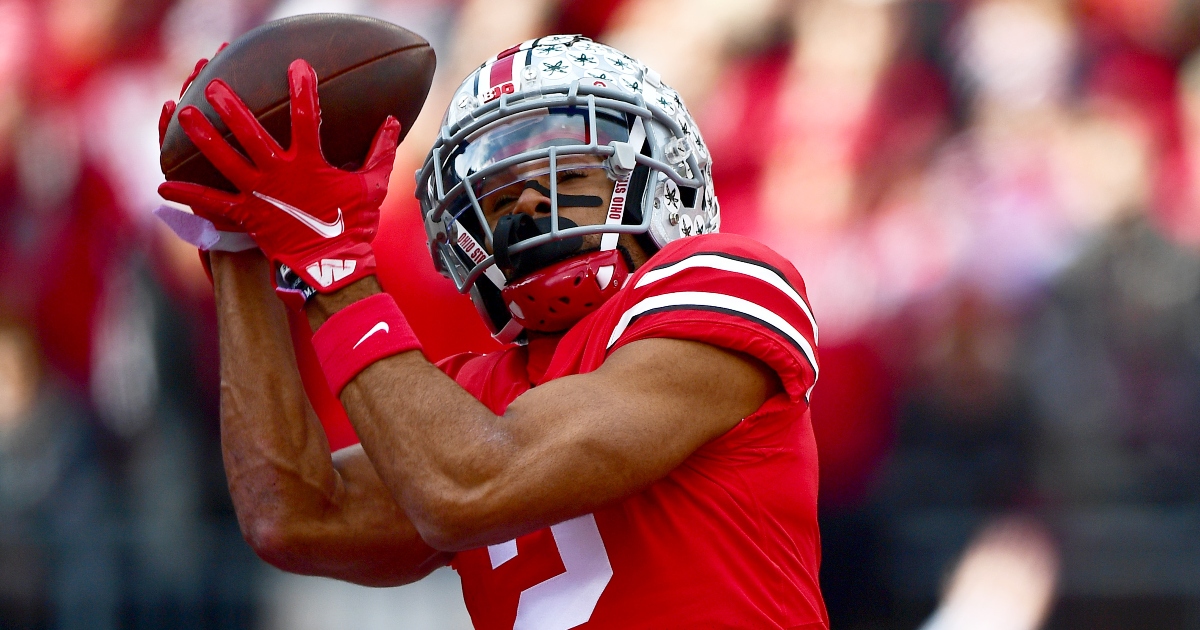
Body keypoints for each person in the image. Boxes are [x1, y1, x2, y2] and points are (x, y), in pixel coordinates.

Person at [157, 34, 826, 629]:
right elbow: (295, 515)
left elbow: (474, 485)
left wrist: (331, 264)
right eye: (499, 196)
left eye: (566, 173)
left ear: (655, 174)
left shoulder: (721, 281)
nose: (530, 205)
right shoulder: (472, 401)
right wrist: (238, 245)